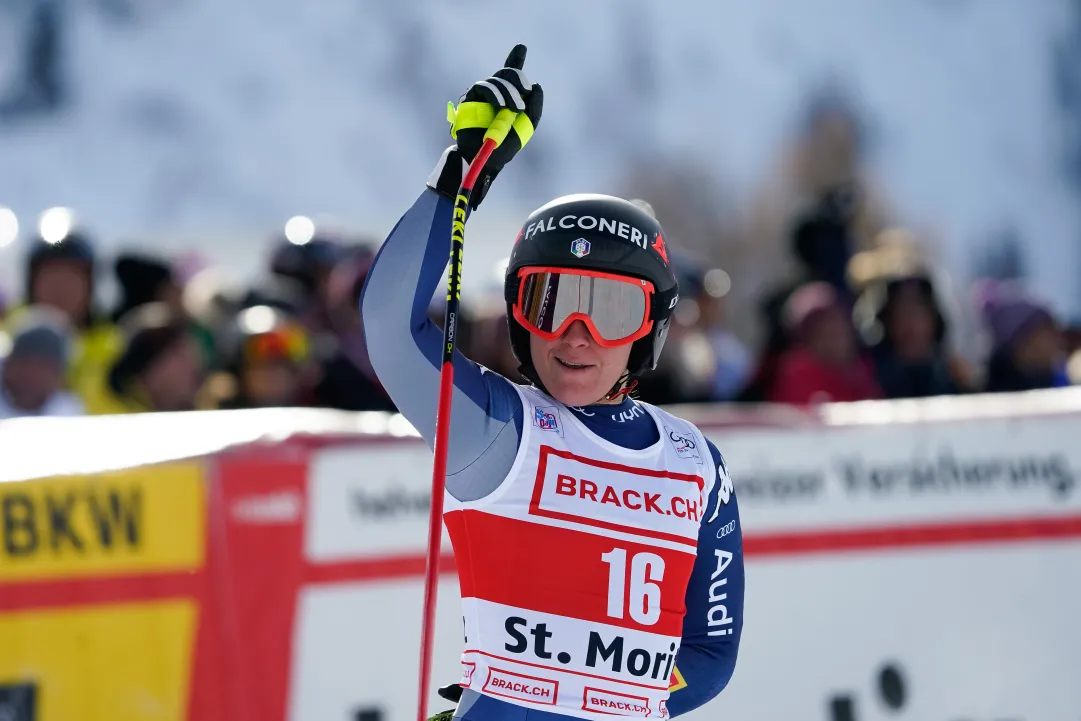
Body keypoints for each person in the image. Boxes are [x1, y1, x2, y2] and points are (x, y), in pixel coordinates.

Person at [361, 46, 743, 720]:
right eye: (549, 302)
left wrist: (619, 696)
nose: (575, 334)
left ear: (649, 328)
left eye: (610, 310)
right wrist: (460, 178)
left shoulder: (695, 463)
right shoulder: (496, 430)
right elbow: (391, 326)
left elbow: (709, 653)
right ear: (517, 315)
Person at [0, 306, 84, 418]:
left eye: (45, 367)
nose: (32, 374)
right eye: (26, 362)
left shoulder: (70, 412)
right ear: (8, 364)